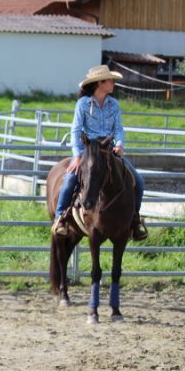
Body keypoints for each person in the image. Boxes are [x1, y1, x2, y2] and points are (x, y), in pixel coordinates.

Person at [52, 65, 148, 241]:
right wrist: (77, 156)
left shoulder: (114, 104)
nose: (113, 83)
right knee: (70, 180)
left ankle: (135, 221)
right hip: (88, 152)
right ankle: (61, 219)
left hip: (109, 151)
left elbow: (118, 128)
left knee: (138, 182)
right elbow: (75, 131)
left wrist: (119, 144)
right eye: (110, 80)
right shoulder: (83, 104)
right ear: (100, 83)